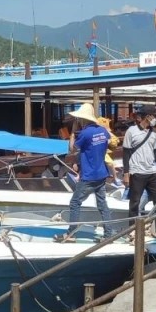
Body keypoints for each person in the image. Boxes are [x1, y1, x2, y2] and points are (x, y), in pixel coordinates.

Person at [57, 103, 117, 242]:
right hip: (101, 173)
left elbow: (72, 149)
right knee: (102, 205)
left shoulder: (85, 133)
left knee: (75, 203)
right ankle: (108, 234)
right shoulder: (102, 131)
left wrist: (73, 132)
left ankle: (71, 234)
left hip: (89, 175)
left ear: (82, 119)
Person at [123, 106, 156, 239]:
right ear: (148, 116)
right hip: (137, 171)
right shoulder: (131, 131)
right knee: (134, 202)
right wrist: (126, 173)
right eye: (154, 116)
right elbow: (126, 153)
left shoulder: (154, 133)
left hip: (152, 171)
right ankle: (132, 230)